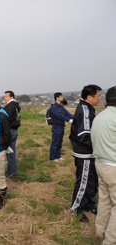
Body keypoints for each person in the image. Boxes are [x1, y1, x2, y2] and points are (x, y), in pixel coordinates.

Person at [69, 84, 102, 222]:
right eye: (98, 96)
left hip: (89, 153)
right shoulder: (84, 110)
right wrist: (99, 147)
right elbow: (84, 134)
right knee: (83, 181)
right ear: (89, 97)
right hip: (85, 153)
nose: (100, 99)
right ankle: (76, 209)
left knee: (91, 181)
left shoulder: (88, 108)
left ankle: (88, 203)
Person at [91, 86, 116, 243]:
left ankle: (100, 231)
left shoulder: (99, 117)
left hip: (100, 164)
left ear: (106, 101)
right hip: (113, 165)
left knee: (105, 201)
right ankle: (110, 240)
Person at [49, 92, 73, 162]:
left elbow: (68, 114)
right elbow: (59, 115)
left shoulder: (61, 107)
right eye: (61, 96)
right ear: (57, 98)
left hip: (61, 126)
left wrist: (76, 117)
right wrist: (68, 120)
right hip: (56, 126)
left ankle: (58, 156)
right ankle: (53, 157)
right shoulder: (54, 107)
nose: (62, 97)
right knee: (55, 142)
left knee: (60, 141)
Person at [3, 90, 21, 178]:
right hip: (15, 130)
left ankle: (9, 173)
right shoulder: (17, 105)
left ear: (11, 97)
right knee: (12, 152)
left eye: (6, 96)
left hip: (9, 131)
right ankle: (12, 172)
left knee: (8, 152)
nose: (4, 98)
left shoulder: (9, 106)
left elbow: (5, 120)